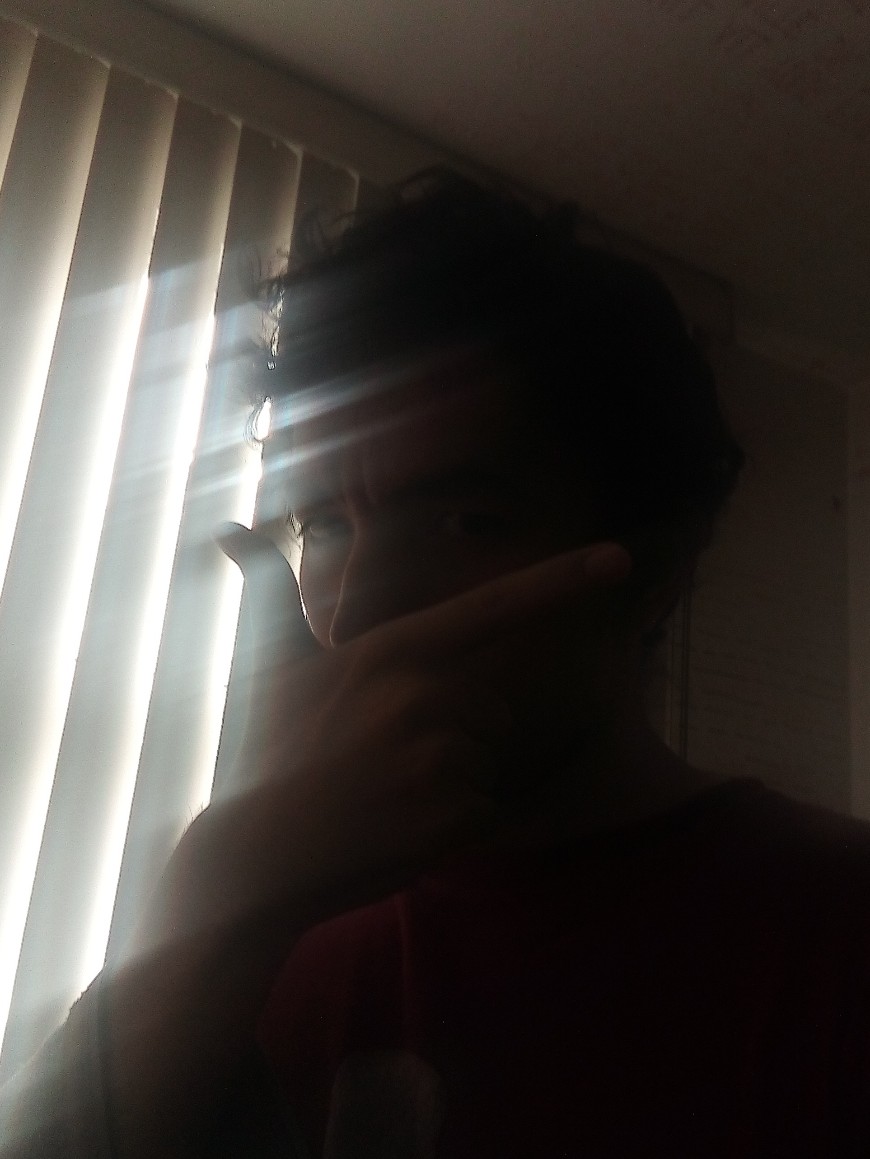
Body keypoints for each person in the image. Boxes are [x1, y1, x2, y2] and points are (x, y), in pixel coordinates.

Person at [2, 169, 870, 1158]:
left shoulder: (836, 927)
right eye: (324, 523)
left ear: (656, 572)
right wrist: (217, 889)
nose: (355, 613)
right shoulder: (263, 931)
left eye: (466, 520)